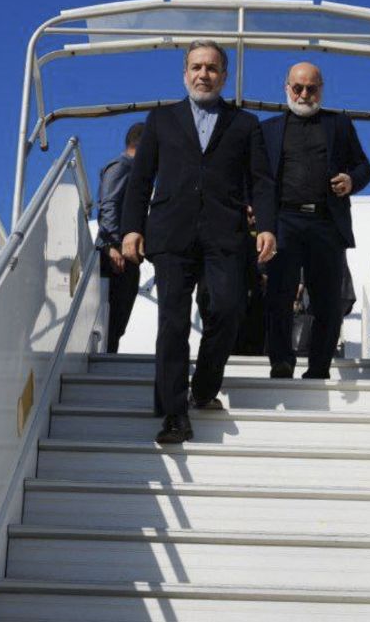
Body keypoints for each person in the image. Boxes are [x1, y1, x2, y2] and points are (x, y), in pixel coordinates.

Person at [121, 40, 277, 444]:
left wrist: (267, 227)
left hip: (225, 235)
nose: (202, 74)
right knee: (172, 322)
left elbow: (261, 181)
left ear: (224, 76)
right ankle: (174, 414)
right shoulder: (161, 120)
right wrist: (131, 228)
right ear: (184, 73)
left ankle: (204, 386)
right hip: (171, 233)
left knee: (227, 309)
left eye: (211, 68)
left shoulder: (245, 124)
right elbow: (140, 180)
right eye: (195, 67)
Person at [261, 62, 370, 379]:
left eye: (311, 88)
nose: (304, 94)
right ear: (286, 88)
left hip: (326, 222)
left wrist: (351, 181)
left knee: (327, 300)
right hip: (284, 221)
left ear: (321, 89)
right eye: (298, 88)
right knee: (279, 295)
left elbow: (364, 167)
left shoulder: (339, 125)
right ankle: (281, 361)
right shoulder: (267, 130)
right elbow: (255, 177)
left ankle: (319, 366)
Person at [95, 122, 143, 353]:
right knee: (114, 316)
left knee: (120, 315)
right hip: (116, 254)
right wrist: (112, 244)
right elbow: (109, 204)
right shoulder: (122, 167)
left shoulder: (134, 170)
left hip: (128, 253)